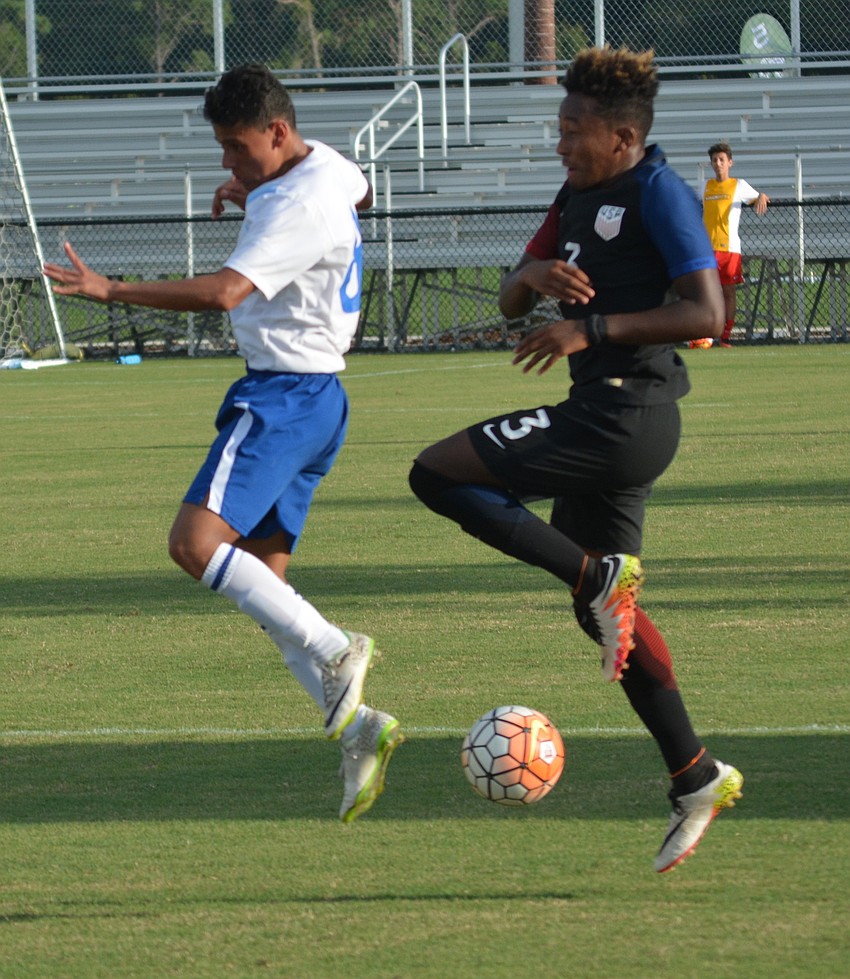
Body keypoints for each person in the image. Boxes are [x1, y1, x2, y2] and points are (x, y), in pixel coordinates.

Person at [408, 46, 743, 873]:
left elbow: (707, 312)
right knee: (605, 620)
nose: (560, 144)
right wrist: (533, 272)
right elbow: (509, 299)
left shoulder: (658, 191)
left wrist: (588, 329)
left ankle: (594, 575)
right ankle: (695, 773)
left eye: (573, 131)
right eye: (559, 129)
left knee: (436, 472)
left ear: (623, 137)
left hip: (624, 414)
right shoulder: (574, 196)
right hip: (611, 417)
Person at [43, 63, 402, 824]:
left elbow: (223, 292)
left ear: (278, 131)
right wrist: (254, 191)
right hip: (319, 400)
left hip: (281, 398)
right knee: (269, 593)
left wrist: (112, 290)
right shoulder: (325, 167)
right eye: (224, 151)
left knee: (193, 544)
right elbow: (361, 192)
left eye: (239, 148)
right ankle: (360, 731)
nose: (230, 163)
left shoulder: (297, 202)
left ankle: (339, 648)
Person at [695, 140, 770, 348]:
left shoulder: (739, 185)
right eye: (714, 160)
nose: (718, 163)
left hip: (729, 249)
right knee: (706, 292)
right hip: (706, 249)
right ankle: (706, 333)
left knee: (728, 292)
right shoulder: (705, 186)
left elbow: (758, 197)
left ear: (730, 162)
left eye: (721, 160)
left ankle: (725, 335)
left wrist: (762, 196)